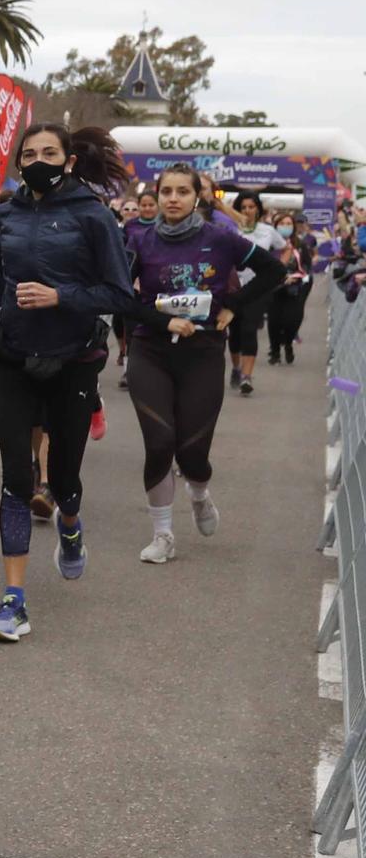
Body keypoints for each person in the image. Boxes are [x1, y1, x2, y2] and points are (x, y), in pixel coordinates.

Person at [0, 123, 133, 643]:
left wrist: (62, 298)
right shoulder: (6, 214)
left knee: (62, 480)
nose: (39, 160)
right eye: (30, 153)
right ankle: (13, 601)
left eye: (49, 152)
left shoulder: (93, 216)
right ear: (18, 164)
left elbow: (120, 296)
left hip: (74, 361)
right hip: (12, 357)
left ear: (69, 161)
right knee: (17, 475)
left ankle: (72, 522)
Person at [125, 163, 285, 564]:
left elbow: (274, 271)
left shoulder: (222, 238)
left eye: (182, 191)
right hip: (151, 350)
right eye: (166, 192)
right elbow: (119, 297)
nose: (173, 199)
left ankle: (199, 494)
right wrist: (163, 320)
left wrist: (233, 305)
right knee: (160, 442)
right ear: (157, 197)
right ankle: (162, 535)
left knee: (192, 452)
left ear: (197, 197)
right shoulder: (140, 241)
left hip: (203, 353)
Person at [227, 191, 280, 395]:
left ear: (258, 208)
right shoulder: (232, 230)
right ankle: (236, 368)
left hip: (257, 288)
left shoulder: (268, 231)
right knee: (235, 332)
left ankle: (247, 377)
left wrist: (278, 269)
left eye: (251, 206)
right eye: (243, 207)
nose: (248, 211)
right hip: (234, 287)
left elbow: (285, 248)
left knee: (250, 329)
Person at [266, 210, 315, 365]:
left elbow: (307, 265)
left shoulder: (300, 245)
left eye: (288, 224)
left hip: (295, 289)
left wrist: (296, 276)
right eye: (282, 224)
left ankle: (288, 344)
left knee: (292, 321)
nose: (285, 227)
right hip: (274, 289)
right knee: (274, 321)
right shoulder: (270, 244)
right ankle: (274, 352)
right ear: (275, 226)